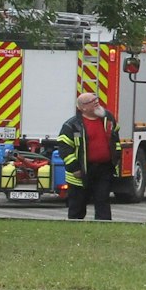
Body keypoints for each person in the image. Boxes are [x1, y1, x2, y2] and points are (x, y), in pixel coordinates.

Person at [55, 92, 119, 221]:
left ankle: (104, 230)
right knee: (77, 206)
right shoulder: (71, 125)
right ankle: (75, 230)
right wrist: (74, 168)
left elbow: (115, 139)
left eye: (96, 99)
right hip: (81, 171)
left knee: (103, 202)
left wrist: (117, 157)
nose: (96, 102)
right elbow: (64, 148)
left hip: (104, 169)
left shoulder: (108, 119)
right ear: (82, 107)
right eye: (91, 101)